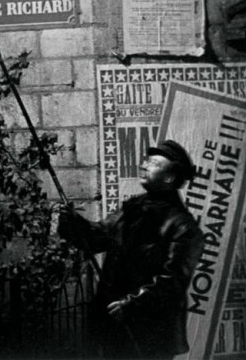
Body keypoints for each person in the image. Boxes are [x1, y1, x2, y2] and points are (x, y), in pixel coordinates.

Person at [59, 140, 204, 360]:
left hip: (149, 333)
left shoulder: (182, 226)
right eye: (146, 161)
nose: (144, 166)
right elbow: (98, 238)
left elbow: (171, 282)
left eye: (154, 163)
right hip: (114, 323)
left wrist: (132, 305)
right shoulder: (132, 210)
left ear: (169, 177)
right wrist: (73, 223)